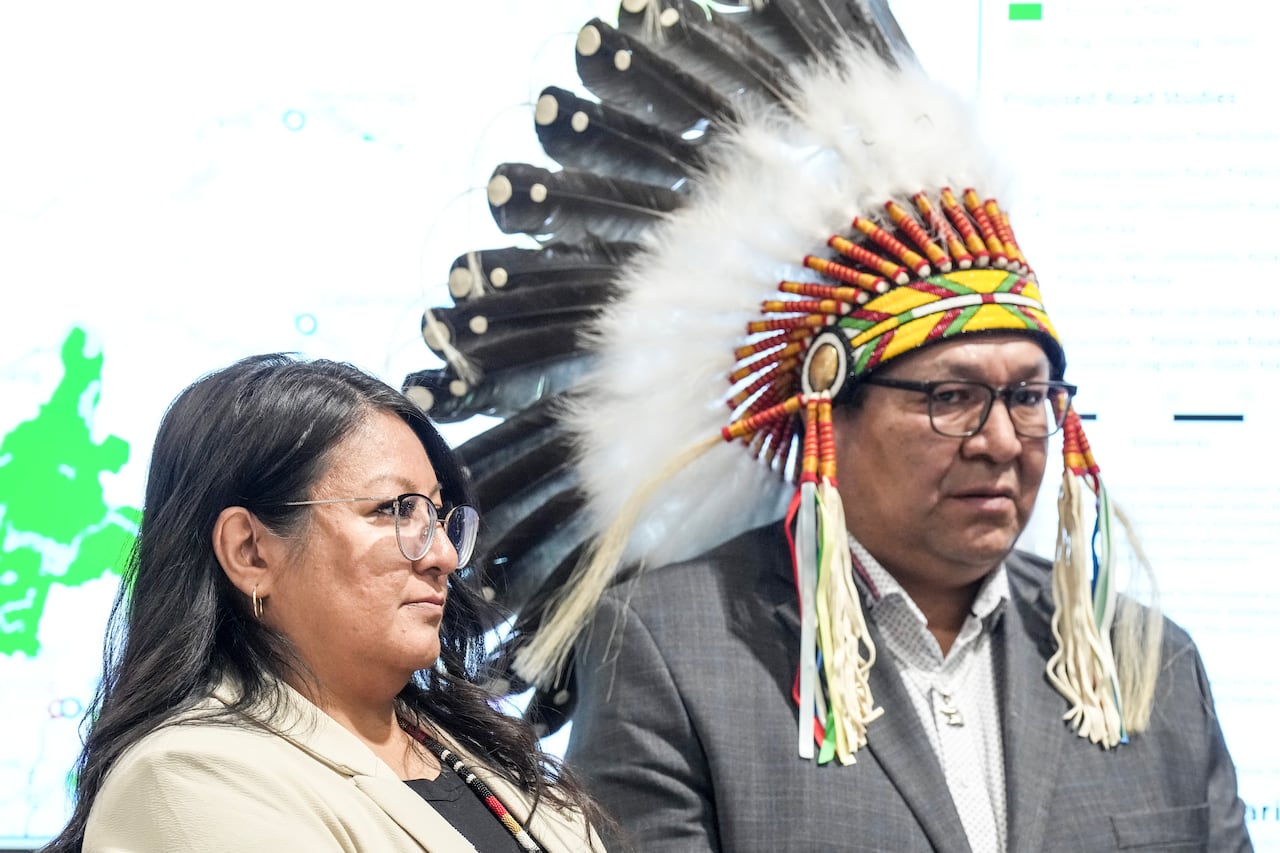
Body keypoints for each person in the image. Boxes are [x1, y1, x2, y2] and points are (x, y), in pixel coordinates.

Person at [406, 3, 1252, 851]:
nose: (1000, 441)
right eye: (950, 397)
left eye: (1029, 397)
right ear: (828, 416)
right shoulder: (672, 648)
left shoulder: (1147, 664)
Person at [42, 355, 604, 853]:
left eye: (438, 516)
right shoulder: (187, 780)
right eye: (393, 510)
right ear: (251, 552)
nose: (443, 557)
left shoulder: (475, 752)